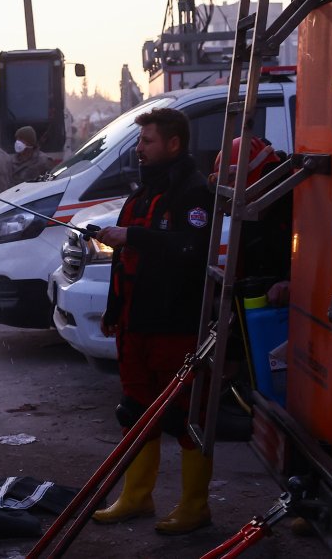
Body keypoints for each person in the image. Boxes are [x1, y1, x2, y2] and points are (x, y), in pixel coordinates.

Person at [91, 107, 214, 535]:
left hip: (174, 324)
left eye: (147, 141)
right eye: (140, 141)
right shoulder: (141, 194)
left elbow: (191, 249)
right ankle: (136, 497)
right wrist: (112, 310)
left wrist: (134, 235)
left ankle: (194, 507)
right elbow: (125, 259)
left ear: (173, 144)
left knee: (184, 416)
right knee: (135, 412)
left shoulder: (194, 192)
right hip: (134, 324)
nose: (139, 149)